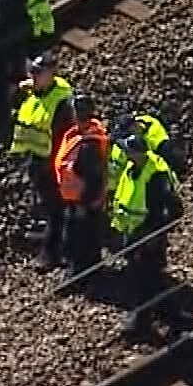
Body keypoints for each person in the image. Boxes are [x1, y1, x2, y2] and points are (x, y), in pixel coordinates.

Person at [109, 132, 184, 340]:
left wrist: (154, 235)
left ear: (138, 153)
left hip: (148, 239)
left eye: (128, 151)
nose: (125, 154)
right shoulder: (132, 169)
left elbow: (172, 210)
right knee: (150, 278)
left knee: (144, 279)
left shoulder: (155, 177)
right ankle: (171, 314)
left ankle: (142, 322)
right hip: (133, 234)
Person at [8, 51, 75, 264]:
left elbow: (62, 138)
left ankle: (52, 252)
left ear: (51, 74)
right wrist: (18, 93)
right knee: (47, 204)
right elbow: (14, 110)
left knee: (57, 208)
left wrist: (53, 166)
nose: (33, 76)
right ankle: (52, 235)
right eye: (32, 72)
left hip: (52, 163)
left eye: (38, 73)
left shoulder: (61, 102)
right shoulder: (33, 93)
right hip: (36, 158)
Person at [52, 94, 109, 275]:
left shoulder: (89, 144)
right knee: (81, 239)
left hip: (83, 202)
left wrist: (85, 203)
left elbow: (93, 178)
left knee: (80, 240)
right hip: (76, 198)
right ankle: (86, 271)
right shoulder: (78, 135)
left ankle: (81, 275)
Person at [106, 107, 186, 184]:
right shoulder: (143, 120)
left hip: (162, 151)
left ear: (134, 126)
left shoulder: (153, 135)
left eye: (128, 129)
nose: (128, 132)